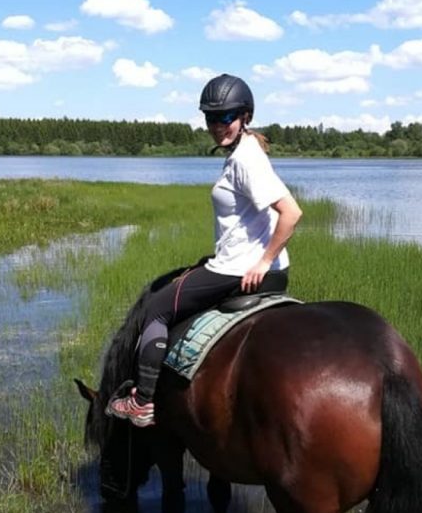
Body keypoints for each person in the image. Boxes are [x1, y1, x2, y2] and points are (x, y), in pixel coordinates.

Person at [106, 73, 303, 427]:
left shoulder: (246, 159)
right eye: (212, 118)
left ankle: (144, 401)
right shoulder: (245, 152)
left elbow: (291, 213)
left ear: (245, 116)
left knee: (155, 308)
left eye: (227, 117)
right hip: (249, 266)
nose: (218, 125)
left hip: (238, 270)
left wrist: (264, 261)